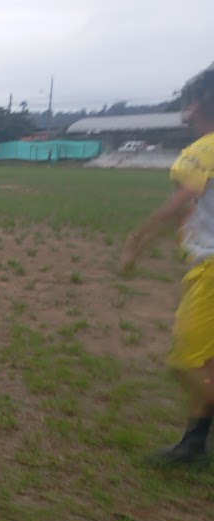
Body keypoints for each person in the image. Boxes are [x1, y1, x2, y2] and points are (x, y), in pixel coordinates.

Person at [120, 63, 214, 464]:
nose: (184, 111)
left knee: (184, 361)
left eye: (187, 103)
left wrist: (136, 240)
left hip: (212, 270)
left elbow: (180, 201)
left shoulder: (201, 150)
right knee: (208, 361)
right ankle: (194, 442)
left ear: (200, 104)